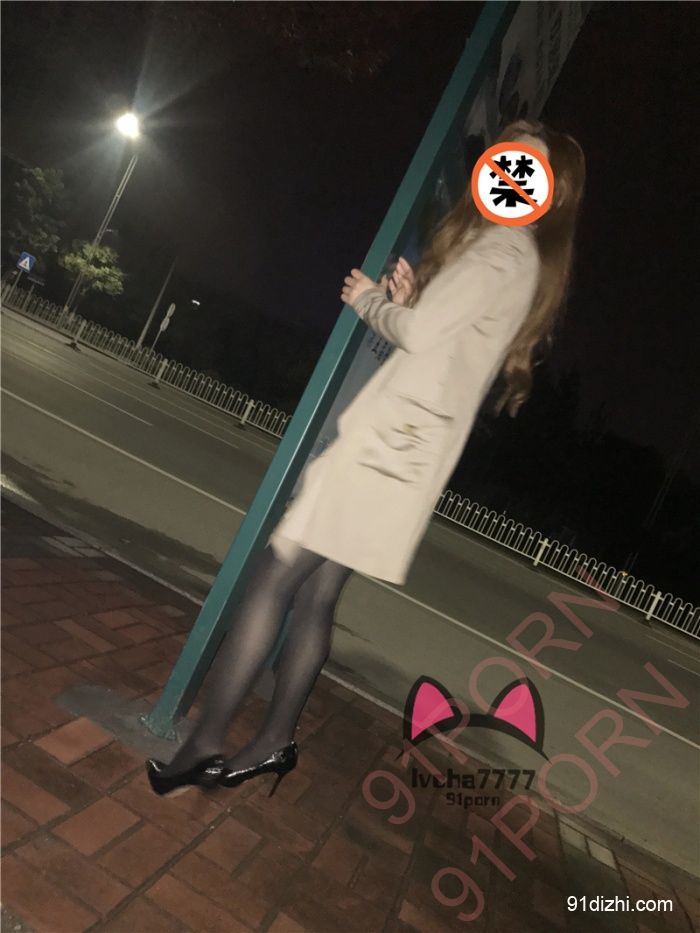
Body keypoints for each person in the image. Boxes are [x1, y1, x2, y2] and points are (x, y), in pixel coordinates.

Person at [146, 117, 586, 797]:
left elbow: (418, 334)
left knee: (275, 576)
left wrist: (371, 301)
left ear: (549, 191)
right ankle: (274, 741)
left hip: (389, 448)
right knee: (317, 592)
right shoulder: (520, 257)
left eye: (524, 164)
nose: (506, 172)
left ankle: (202, 746)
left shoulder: (501, 249)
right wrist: (410, 303)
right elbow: (441, 340)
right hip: (408, 455)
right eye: (505, 157)